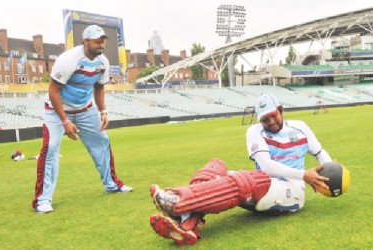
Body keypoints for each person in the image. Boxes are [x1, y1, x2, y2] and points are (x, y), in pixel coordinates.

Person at [148, 93, 332, 245]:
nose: (270, 121)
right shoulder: (254, 131)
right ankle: (186, 225)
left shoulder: (300, 127)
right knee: (215, 168)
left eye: (273, 115)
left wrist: (330, 173)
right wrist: (305, 174)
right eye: (265, 119)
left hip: (292, 189)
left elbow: (320, 153)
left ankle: (177, 203)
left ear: (281, 110)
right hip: (264, 184)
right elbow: (266, 166)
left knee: (252, 180)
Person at [32, 24, 132, 214]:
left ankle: (111, 184)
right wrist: (65, 121)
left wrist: (103, 112)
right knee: (51, 147)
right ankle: (42, 200)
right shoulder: (68, 59)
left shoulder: (103, 61)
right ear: (85, 41)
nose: (101, 43)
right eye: (96, 40)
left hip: (85, 109)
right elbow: (53, 90)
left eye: (102, 40)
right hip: (56, 109)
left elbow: (100, 87)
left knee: (102, 141)